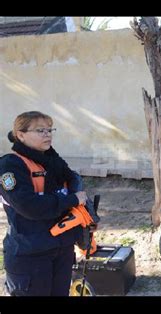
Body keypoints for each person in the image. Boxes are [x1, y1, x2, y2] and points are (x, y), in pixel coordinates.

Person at [0, 111, 88, 296]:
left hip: (61, 249)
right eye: (40, 130)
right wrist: (71, 200)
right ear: (21, 135)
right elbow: (29, 207)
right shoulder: (10, 166)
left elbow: (74, 181)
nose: (47, 134)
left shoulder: (52, 161)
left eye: (50, 129)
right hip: (30, 254)